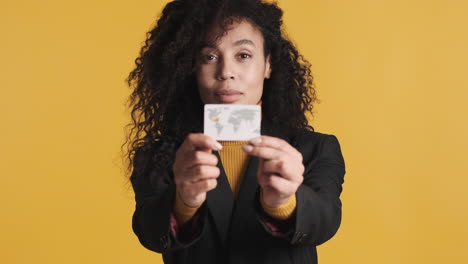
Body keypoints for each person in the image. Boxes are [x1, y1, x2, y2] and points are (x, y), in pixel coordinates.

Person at [123, 0, 346, 263]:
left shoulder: (315, 148)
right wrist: (184, 200)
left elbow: (325, 222)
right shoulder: (161, 155)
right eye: (210, 57)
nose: (226, 72)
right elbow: (150, 234)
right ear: (192, 67)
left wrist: (285, 202)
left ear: (268, 65)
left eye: (243, 55)